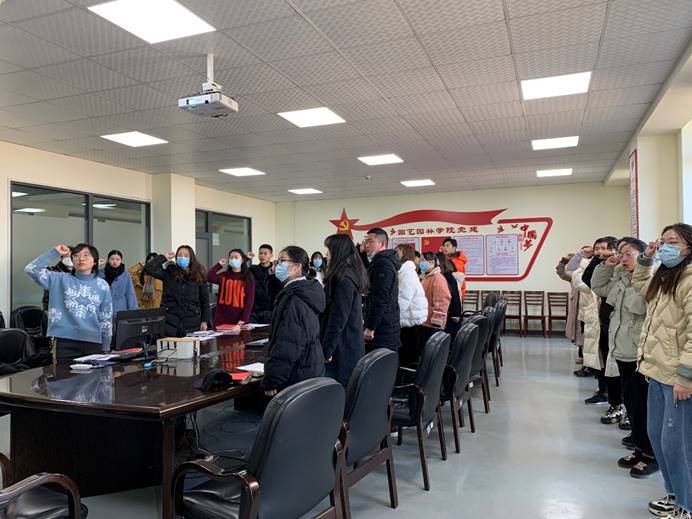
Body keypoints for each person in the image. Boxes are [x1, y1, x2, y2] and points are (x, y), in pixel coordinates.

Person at [632, 223, 692, 519]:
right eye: (664, 241)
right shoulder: (666, 274)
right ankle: (674, 493)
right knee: (656, 436)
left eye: (673, 242)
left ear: (689, 247)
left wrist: (686, 375)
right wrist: (646, 258)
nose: (667, 247)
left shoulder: (690, 279)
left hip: (677, 378)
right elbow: (640, 286)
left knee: (677, 444)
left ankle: (687, 505)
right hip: (656, 370)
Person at [592, 237, 658, 477]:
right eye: (620, 254)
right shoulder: (621, 278)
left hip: (640, 352)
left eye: (628, 253)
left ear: (644, 255)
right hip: (622, 349)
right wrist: (606, 266)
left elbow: (640, 307)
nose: (622, 258)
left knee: (642, 405)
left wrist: (634, 274)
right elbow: (598, 287)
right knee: (630, 401)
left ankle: (651, 454)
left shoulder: (650, 280)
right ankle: (639, 447)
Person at [25, 243, 113, 360]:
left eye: (86, 255)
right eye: (76, 255)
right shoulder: (59, 279)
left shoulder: (102, 285)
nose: (81, 258)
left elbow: (105, 317)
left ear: (95, 262)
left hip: (93, 342)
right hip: (64, 341)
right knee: (63, 372)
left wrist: (106, 346)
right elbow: (31, 269)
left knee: (94, 373)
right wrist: (55, 252)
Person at [261, 246, 326, 397]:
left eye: (282, 261)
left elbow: (288, 343)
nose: (277, 266)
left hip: (298, 374)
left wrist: (273, 378)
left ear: (297, 267)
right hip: (309, 365)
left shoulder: (295, 299)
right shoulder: (304, 291)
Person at [321, 234, 369, 386]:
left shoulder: (342, 278)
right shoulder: (349, 272)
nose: (326, 255)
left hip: (342, 346)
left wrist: (327, 349)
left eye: (328, 250)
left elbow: (338, 318)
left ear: (337, 251)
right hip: (348, 341)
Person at [582, 236, 622, 410]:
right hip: (602, 320)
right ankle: (608, 395)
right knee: (604, 359)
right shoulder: (603, 266)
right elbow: (587, 279)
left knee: (616, 366)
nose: (599, 252)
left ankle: (617, 402)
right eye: (596, 249)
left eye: (603, 248)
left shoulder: (620, 268)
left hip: (617, 323)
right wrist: (599, 260)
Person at [144, 245, 210, 337]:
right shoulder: (169, 273)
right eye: (179, 255)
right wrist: (164, 257)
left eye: (186, 255)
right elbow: (148, 268)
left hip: (192, 322)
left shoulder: (199, 275)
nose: (182, 257)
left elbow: (204, 300)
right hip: (170, 322)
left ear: (191, 258)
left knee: (190, 346)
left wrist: (205, 320)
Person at [362, 228, 401, 351]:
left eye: (370, 242)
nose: (366, 245)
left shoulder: (383, 264)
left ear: (382, 243)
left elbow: (380, 298)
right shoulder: (380, 261)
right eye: (366, 242)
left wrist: (371, 327)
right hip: (385, 324)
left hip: (382, 328)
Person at [395, 244, 428, 366]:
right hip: (410, 316)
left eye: (399, 252)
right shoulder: (405, 270)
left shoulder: (407, 271)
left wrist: (394, 316)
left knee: (408, 354)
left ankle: (409, 377)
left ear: (406, 254)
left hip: (410, 318)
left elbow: (404, 297)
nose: (396, 254)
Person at [207, 249, 255, 326]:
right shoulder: (224, 275)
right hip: (221, 320)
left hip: (239, 320)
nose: (233, 259)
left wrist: (244, 318)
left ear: (242, 260)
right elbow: (209, 276)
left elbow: (249, 300)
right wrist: (219, 265)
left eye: (236, 257)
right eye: (231, 258)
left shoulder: (248, 277)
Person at [419, 251, 451, 351]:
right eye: (420, 260)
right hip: (425, 321)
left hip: (432, 324)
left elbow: (442, 300)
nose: (420, 263)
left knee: (430, 351)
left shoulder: (437, 278)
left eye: (423, 260)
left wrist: (437, 320)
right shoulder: (427, 277)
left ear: (432, 262)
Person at [247, 244, 282, 324]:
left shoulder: (277, 270)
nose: (262, 256)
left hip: (271, 310)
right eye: (260, 253)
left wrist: (274, 272)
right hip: (255, 310)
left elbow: (280, 287)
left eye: (265, 253)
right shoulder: (253, 269)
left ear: (271, 255)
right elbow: (239, 270)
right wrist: (246, 258)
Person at [99, 250, 138, 316]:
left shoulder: (125, 274)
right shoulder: (100, 273)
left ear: (121, 261)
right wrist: (95, 264)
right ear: (108, 260)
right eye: (112, 259)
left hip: (121, 309)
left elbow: (130, 293)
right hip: (104, 308)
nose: (115, 261)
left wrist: (134, 312)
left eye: (117, 259)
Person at [435, 252, 462, 338]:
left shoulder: (447, 276)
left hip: (450, 317)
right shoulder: (443, 275)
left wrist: (455, 314)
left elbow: (455, 297)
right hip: (447, 315)